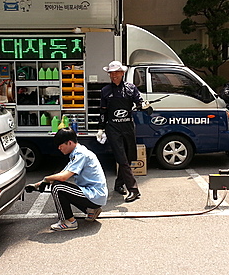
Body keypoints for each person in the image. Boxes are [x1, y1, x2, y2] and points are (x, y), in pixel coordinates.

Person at [33, 128, 108, 231]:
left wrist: (46, 179)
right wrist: (38, 184)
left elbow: (63, 177)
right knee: (58, 184)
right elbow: (61, 173)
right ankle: (91, 210)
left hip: (95, 194)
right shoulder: (76, 153)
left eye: (61, 145)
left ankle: (68, 221)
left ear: (69, 143)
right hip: (95, 195)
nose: (59, 148)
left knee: (57, 188)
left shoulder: (80, 154)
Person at [97, 61, 151, 202]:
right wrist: (101, 128)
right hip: (112, 128)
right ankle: (133, 190)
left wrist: (143, 105)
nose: (113, 75)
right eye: (111, 73)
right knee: (121, 158)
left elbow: (139, 101)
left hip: (127, 126)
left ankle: (118, 184)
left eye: (116, 72)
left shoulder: (131, 88)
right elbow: (103, 111)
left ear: (122, 73)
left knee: (129, 157)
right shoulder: (105, 91)